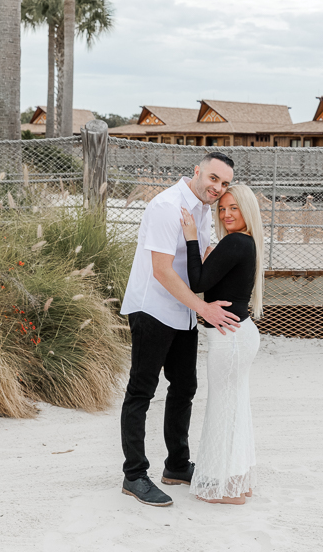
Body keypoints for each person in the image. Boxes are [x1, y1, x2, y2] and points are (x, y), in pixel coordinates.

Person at [119, 152, 241, 507]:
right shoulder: (166, 206)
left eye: (224, 183)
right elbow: (161, 269)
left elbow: (197, 262)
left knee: (185, 386)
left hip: (183, 311)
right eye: (214, 179)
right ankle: (134, 475)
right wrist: (203, 307)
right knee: (141, 391)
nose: (218, 188)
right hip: (152, 308)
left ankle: (176, 466)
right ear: (197, 171)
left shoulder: (204, 210)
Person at [179, 184, 265, 505]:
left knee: (222, 409)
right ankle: (237, 483)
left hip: (229, 339)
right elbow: (213, 280)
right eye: (222, 209)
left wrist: (190, 238)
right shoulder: (246, 243)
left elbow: (198, 283)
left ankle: (226, 491)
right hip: (239, 334)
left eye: (234, 208)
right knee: (235, 408)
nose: (226, 214)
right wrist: (208, 257)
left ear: (247, 212)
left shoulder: (235, 242)